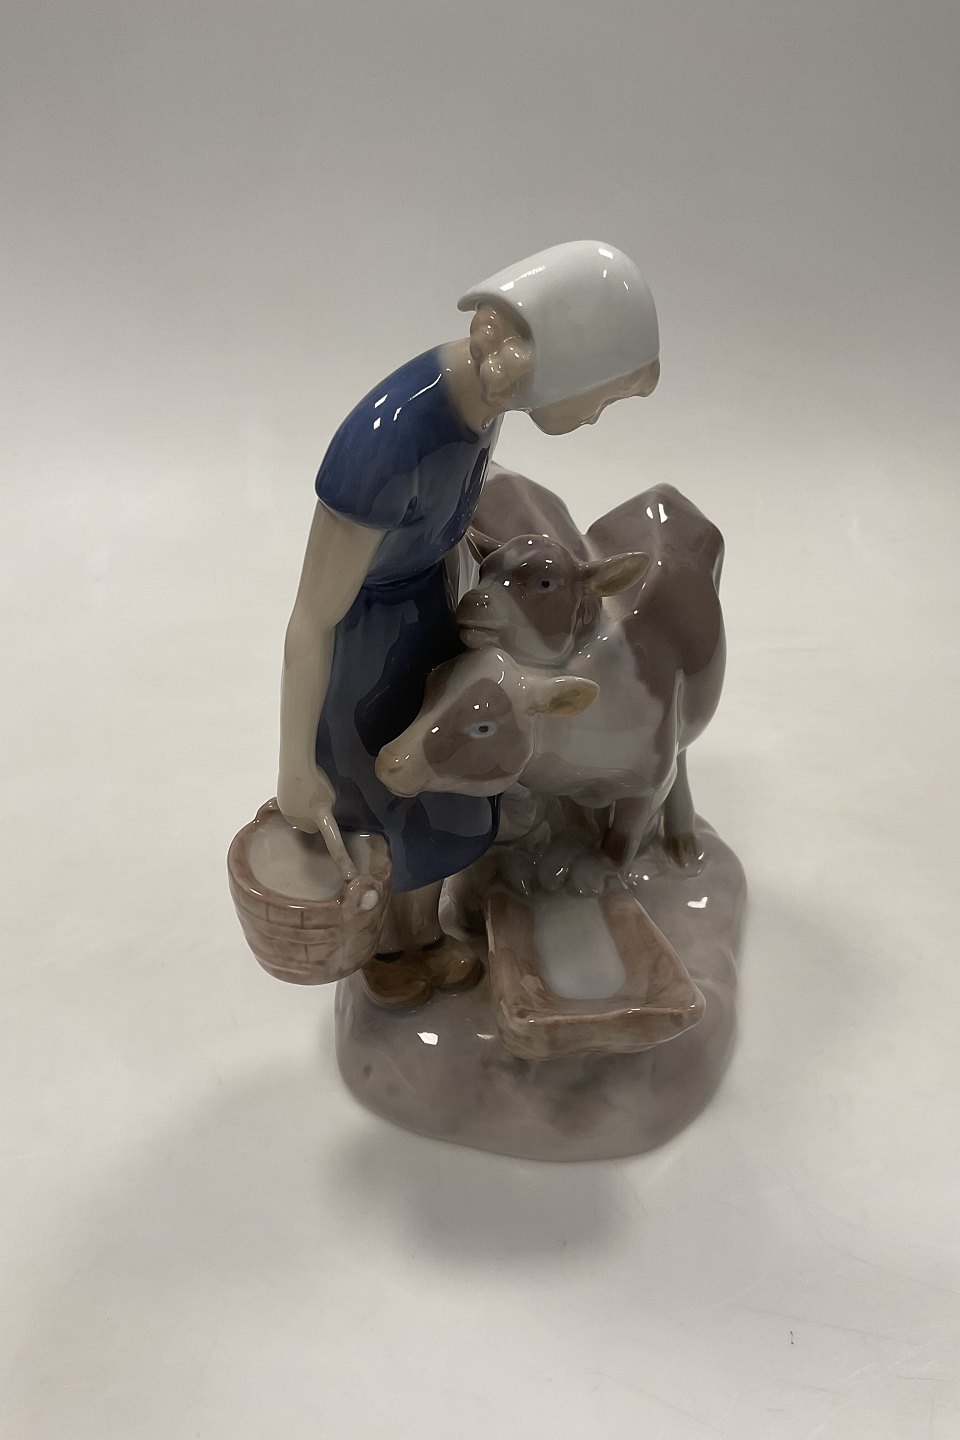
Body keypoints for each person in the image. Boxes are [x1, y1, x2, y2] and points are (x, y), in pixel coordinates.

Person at [278, 241, 661, 1006]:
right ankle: (388, 950)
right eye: (603, 396)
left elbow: (450, 529)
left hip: (433, 615)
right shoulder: (384, 444)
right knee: (379, 802)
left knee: (443, 793)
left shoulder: (481, 407)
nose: (594, 415)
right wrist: (293, 766)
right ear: (567, 360)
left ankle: (424, 934)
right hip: (361, 652)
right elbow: (310, 619)